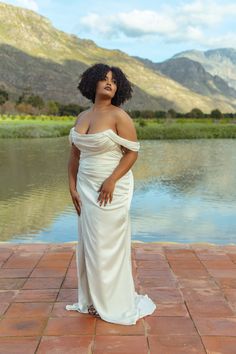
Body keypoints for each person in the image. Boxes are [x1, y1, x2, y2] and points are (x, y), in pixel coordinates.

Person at [65, 63, 157, 325]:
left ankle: (113, 301)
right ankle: (94, 299)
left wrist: (111, 181)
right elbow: (74, 155)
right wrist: (71, 186)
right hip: (84, 186)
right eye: (104, 79)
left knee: (107, 245)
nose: (109, 83)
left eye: (114, 81)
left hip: (111, 188)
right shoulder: (81, 117)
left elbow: (132, 153)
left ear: (119, 89)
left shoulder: (119, 116)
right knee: (90, 245)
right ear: (91, 83)